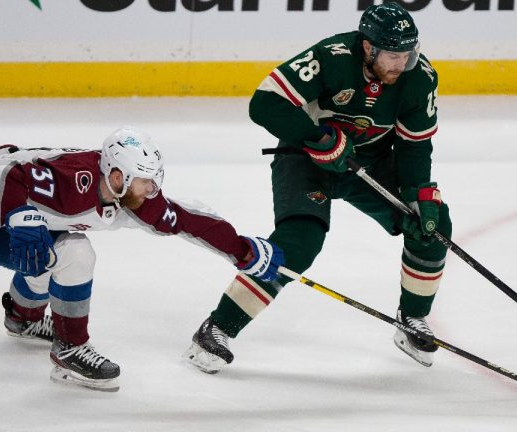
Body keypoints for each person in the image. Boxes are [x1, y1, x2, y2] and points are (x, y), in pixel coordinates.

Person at [185, 3, 451, 374]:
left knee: (433, 227)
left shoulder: (418, 77)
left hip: (367, 164)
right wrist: (316, 137)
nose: (400, 64)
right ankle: (216, 328)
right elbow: (264, 103)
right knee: (299, 242)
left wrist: (417, 195)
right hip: (305, 158)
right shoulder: (331, 57)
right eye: (392, 55)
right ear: (368, 47)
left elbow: (415, 146)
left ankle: (412, 321)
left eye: (407, 55)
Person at [0, 127, 284, 391]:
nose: (151, 188)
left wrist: (241, 250)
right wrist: (16, 213)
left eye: (154, 179)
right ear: (117, 176)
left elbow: (185, 219)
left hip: (7, 216)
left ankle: (24, 318)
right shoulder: (73, 180)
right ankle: (70, 349)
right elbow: (4, 169)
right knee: (74, 252)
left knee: (47, 248)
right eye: (143, 180)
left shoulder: (134, 199)